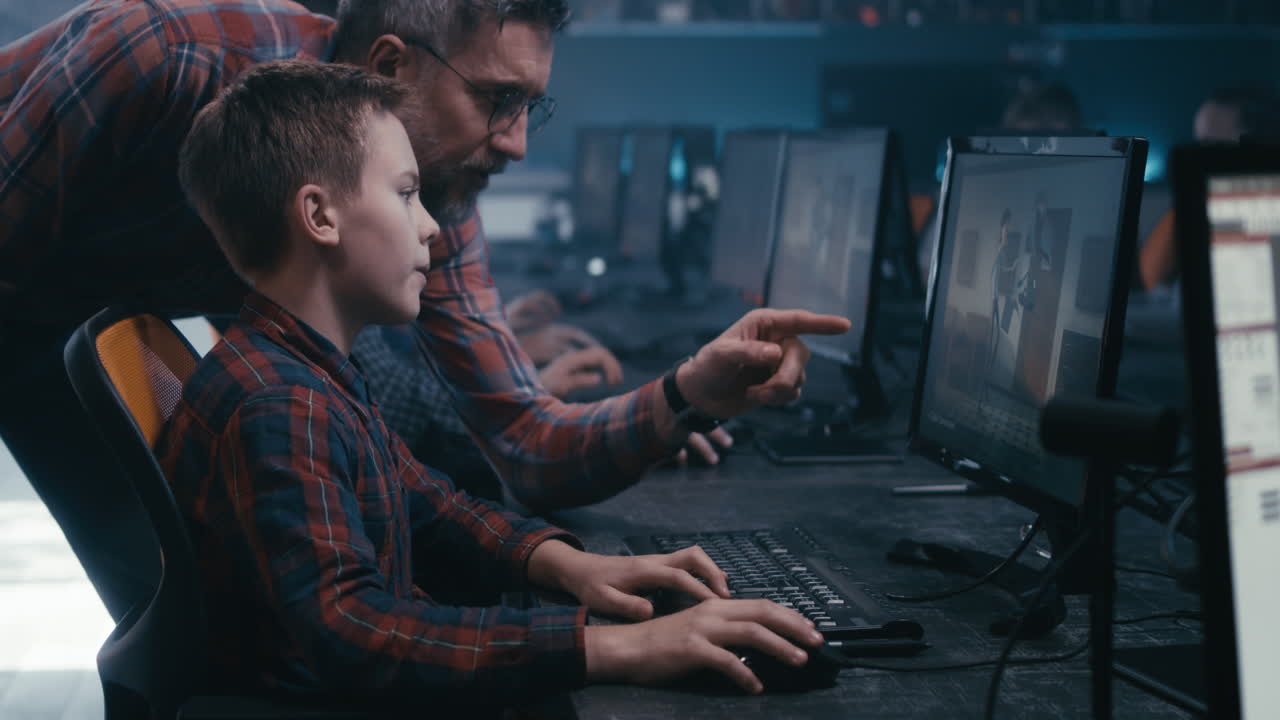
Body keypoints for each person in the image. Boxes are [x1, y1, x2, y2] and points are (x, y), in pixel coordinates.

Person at [0, 0, 842, 622]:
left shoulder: (426, 200)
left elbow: (526, 445)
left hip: (97, 311)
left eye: (530, 107)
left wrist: (687, 391)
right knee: (182, 627)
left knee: (199, 612)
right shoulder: (166, 56)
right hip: (21, 284)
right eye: (496, 100)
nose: (516, 142)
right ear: (393, 70)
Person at [159, 58, 824, 705]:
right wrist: (627, 648)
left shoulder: (303, 367)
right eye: (406, 193)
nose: (429, 225)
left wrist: (570, 566)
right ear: (321, 217)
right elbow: (355, 634)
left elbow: (426, 499)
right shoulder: (284, 404)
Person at [1139, 86, 1280, 290]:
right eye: (1199, 145)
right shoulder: (1207, 206)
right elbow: (1150, 278)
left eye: (1211, 145)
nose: (1201, 157)